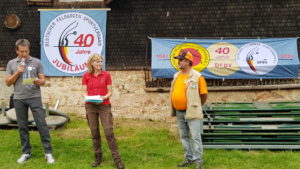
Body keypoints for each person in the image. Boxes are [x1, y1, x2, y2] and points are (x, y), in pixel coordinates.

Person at [5, 39, 55, 164]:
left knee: (42, 124)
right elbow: (8, 82)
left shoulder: (37, 62)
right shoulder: (11, 63)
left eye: (26, 51)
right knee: (22, 126)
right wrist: (18, 72)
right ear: (17, 50)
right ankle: (26, 153)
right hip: (19, 98)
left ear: (29, 50)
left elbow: (43, 80)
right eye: (22, 51)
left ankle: (48, 153)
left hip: (34, 97)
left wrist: (40, 81)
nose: (24, 54)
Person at [82, 53, 125, 169]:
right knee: (95, 133)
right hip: (90, 106)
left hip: (104, 105)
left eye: (101, 61)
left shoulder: (106, 75)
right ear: (92, 63)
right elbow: (84, 91)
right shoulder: (86, 76)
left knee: (108, 132)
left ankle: (118, 161)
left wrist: (104, 97)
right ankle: (98, 159)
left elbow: (110, 91)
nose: (100, 63)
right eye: (97, 61)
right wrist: (87, 97)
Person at [170, 51, 208, 169]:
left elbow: (204, 94)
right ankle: (189, 158)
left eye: (180, 60)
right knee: (184, 136)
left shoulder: (197, 76)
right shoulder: (176, 76)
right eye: (178, 60)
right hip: (179, 111)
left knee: (195, 136)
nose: (178, 62)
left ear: (187, 61)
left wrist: (196, 105)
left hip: (193, 111)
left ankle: (198, 161)